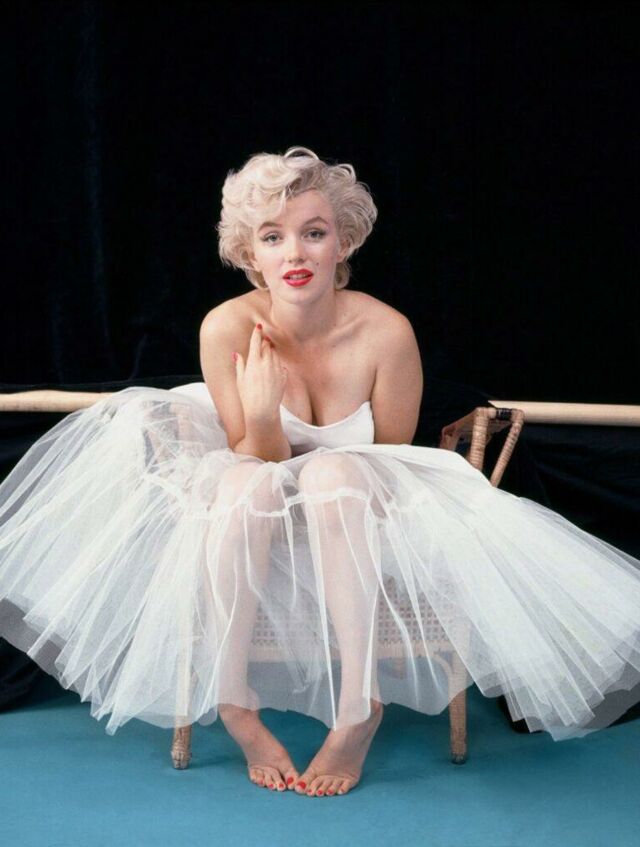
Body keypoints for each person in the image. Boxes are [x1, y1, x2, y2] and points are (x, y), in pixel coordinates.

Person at [1, 147, 640, 799]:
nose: (295, 254)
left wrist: (314, 468)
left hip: (358, 505)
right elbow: (250, 457)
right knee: (242, 482)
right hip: (254, 497)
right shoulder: (226, 328)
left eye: (313, 233)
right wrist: (262, 414)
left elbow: (390, 457)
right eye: (272, 238)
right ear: (250, 255)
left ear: (344, 242)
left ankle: (359, 705)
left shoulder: (386, 333)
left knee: (332, 473)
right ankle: (233, 701)